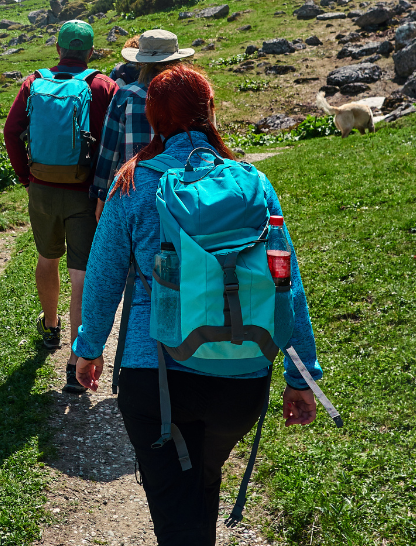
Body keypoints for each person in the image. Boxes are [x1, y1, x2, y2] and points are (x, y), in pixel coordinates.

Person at [73, 65, 322, 546]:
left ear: (154, 118)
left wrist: (88, 349)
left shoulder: (134, 183)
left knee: (174, 512)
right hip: (242, 375)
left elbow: (103, 277)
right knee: (202, 486)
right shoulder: (253, 183)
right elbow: (285, 281)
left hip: (158, 375)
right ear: (209, 112)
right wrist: (300, 376)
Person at [2, 19, 118, 392]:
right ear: (89, 51)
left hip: (42, 188)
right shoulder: (101, 85)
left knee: (46, 258)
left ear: (58, 50)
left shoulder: (34, 82)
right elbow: (111, 141)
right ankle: (74, 361)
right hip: (85, 193)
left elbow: (10, 131)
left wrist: (27, 177)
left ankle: (50, 327)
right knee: (81, 275)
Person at [90, 29, 193, 221]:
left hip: (135, 190)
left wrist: (101, 197)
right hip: (185, 191)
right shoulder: (192, 95)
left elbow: (109, 151)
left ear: (142, 62)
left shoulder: (127, 96)